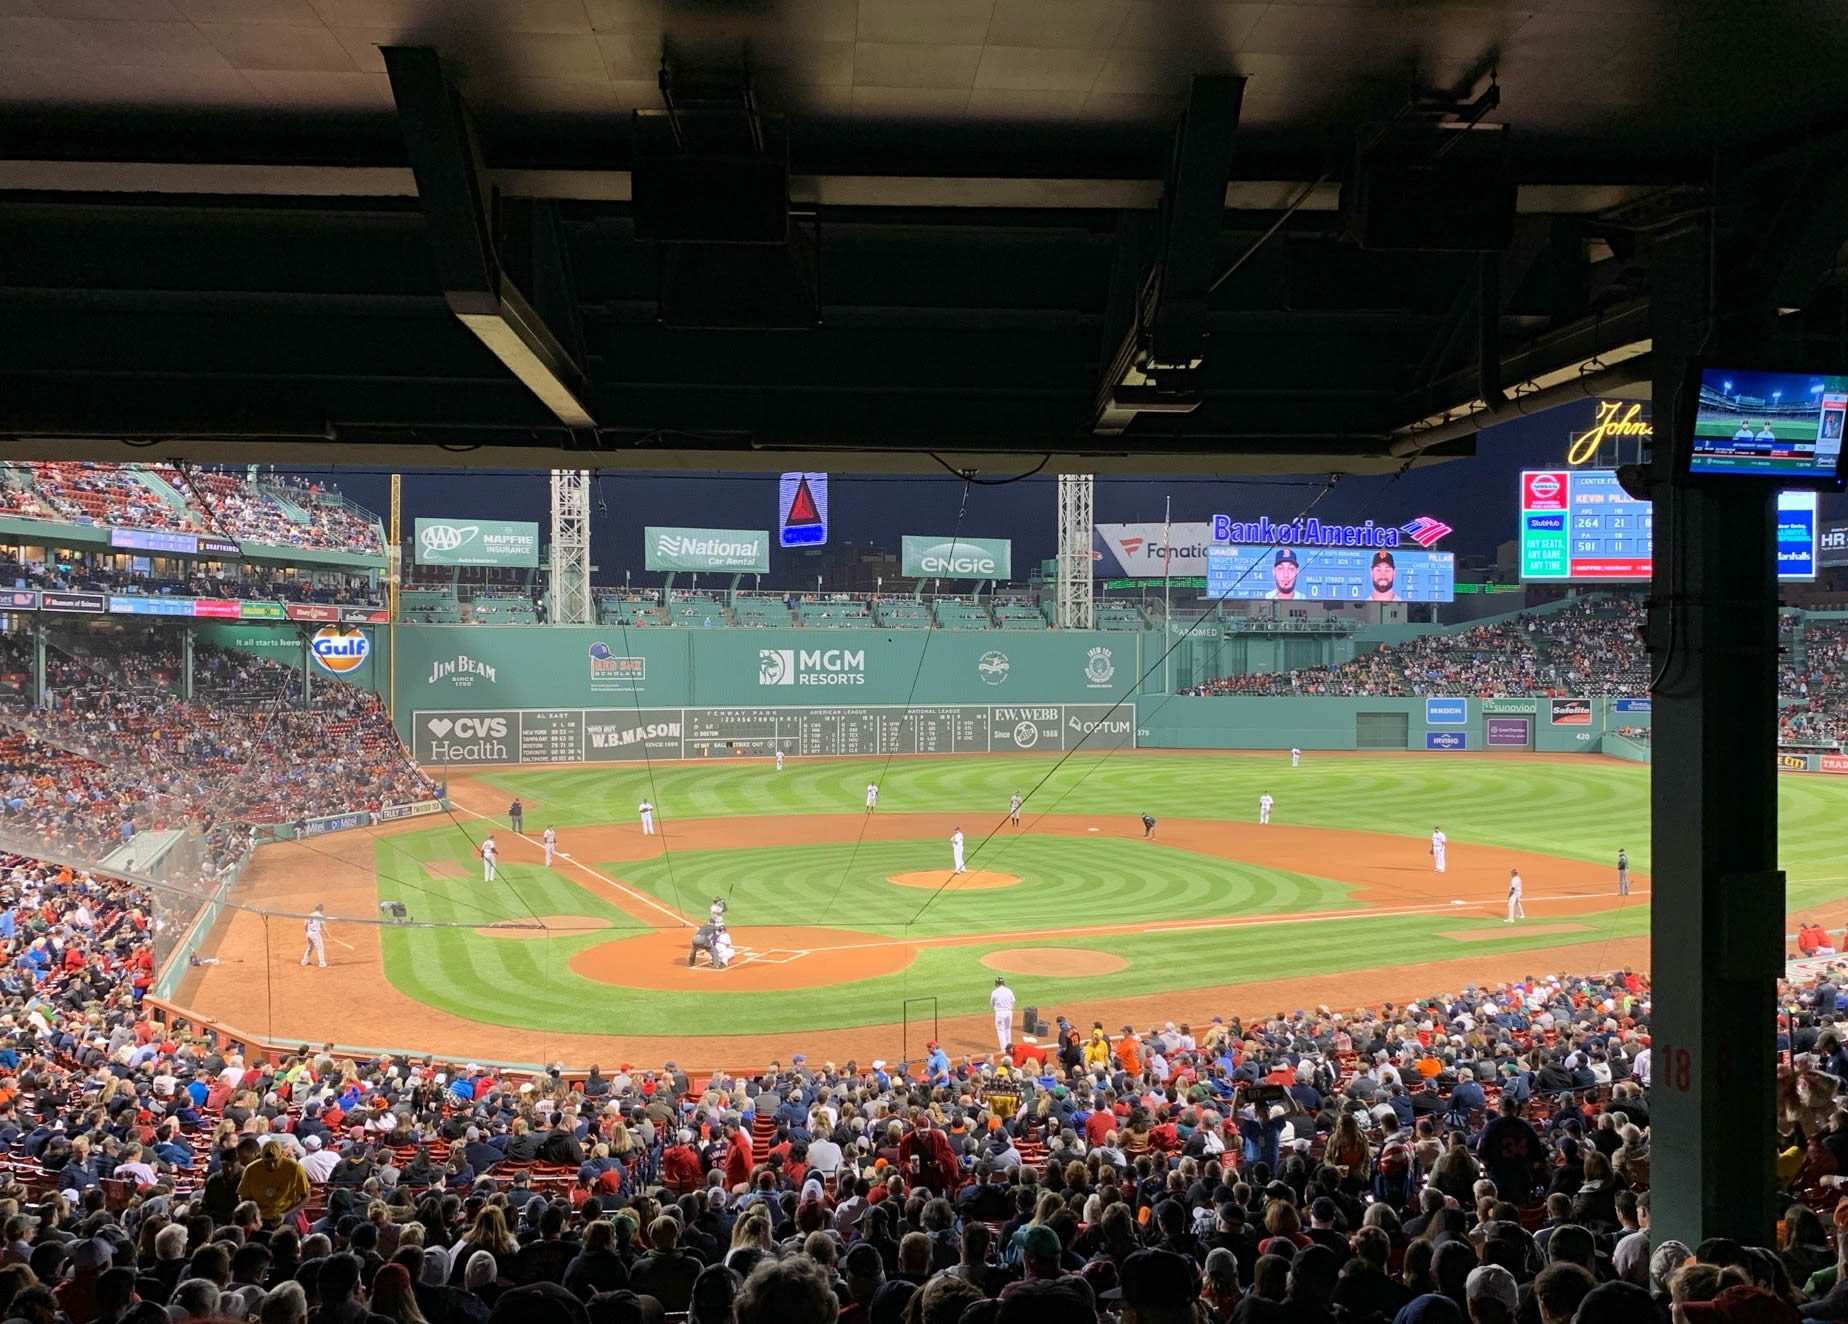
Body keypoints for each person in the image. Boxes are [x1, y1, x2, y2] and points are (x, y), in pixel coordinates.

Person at [990, 977, 1015, 1053]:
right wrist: (1010, 1010)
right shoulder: (1008, 990)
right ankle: (1010, 1048)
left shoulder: (995, 992)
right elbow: (1013, 1001)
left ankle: (1004, 1050)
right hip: (1009, 1012)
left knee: (1001, 1030)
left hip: (1000, 1013)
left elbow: (992, 1003)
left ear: (996, 983)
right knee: (1007, 1029)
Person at [301, 904, 327, 969]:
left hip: (309, 933)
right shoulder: (320, 916)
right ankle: (322, 963)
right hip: (315, 934)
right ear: (321, 909)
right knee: (320, 948)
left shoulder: (310, 915)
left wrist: (307, 933)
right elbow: (323, 926)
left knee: (310, 947)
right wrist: (328, 934)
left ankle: (304, 961)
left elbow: (305, 925)